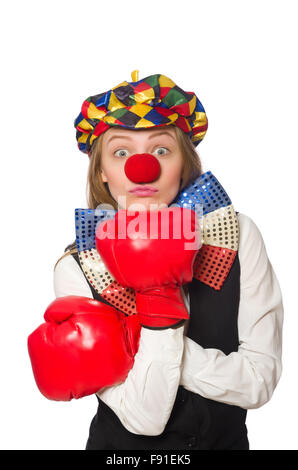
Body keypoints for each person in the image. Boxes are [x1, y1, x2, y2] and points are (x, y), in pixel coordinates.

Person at [28, 70, 284, 450]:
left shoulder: (237, 236)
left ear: (185, 162)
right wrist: (158, 296)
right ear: (102, 170)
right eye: (121, 152)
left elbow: (259, 382)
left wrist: (134, 344)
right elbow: (144, 419)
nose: (141, 168)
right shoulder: (79, 268)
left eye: (161, 150)